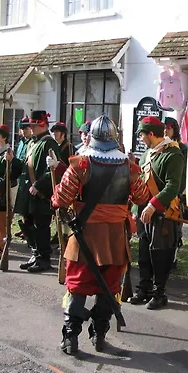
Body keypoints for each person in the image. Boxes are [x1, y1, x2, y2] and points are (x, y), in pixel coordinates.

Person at [51, 114, 149, 354]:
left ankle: (71, 338)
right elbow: (141, 197)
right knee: (109, 286)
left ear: (92, 137)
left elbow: (61, 198)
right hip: (115, 237)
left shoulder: (81, 164)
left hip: (86, 235)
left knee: (78, 285)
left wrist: (57, 196)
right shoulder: (129, 166)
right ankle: (99, 335)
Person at [128, 116, 184, 310]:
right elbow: (142, 183)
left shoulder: (173, 154)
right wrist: (136, 209)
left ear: (151, 134)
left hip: (162, 213)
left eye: (142, 135)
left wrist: (153, 205)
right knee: (144, 253)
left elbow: (173, 187)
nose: (141, 138)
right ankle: (144, 288)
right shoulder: (147, 154)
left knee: (160, 254)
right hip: (144, 212)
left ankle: (159, 293)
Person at [14, 110, 60, 273]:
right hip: (28, 192)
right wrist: (11, 161)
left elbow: (53, 170)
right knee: (28, 224)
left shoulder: (49, 143)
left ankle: (43, 258)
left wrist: (39, 185)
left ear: (42, 125)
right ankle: (35, 254)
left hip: (41, 194)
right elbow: (25, 166)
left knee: (41, 226)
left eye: (33, 126)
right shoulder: (32, 143)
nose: (31, 129)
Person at [0, 125, 22, 260]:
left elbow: (12, 175)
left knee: (2, 223)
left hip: (2, 193)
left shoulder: (8, 154)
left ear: (4, 137)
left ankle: (3, 248)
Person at [164, 116, 188, 268]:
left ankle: (172, 258)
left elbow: (183, 174)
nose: (165, 131)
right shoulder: (159, 146)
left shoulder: (182, 149)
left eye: (168, 128)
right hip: (160, 193)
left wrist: (176, 192)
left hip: (176, 195)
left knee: (175, 228)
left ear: (174, 130)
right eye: (164, 128)